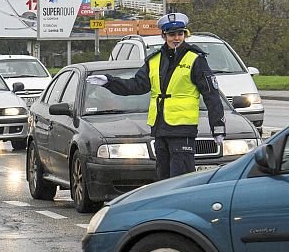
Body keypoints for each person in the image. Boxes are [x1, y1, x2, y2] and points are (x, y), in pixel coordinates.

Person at [86, 12, 226, 180]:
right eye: (172, 34)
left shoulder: (195, 59)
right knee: (162, 179)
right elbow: (136, 86)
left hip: (182, 129)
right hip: (160, 128)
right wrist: (109, 82)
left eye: (180, 34)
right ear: (164, 36)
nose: (176, 38)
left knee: (180, 180)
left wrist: (217, 127)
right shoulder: (154, 60)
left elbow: (211, 95)